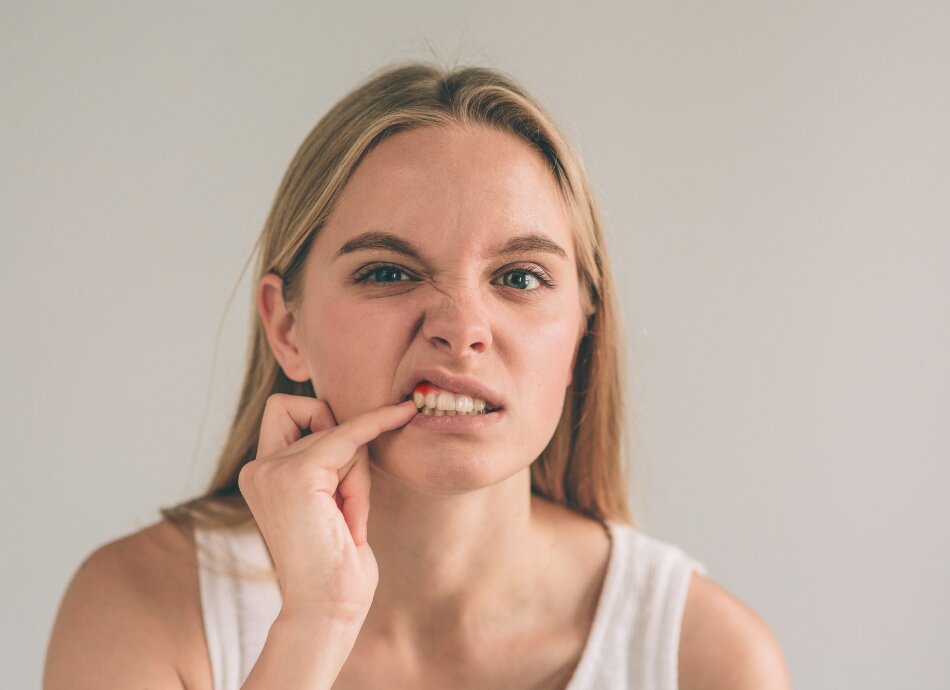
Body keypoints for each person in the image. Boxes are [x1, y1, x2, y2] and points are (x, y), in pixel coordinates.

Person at [44, 62, 791, 690]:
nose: (461, 328)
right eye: (389, 271)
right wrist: (314, 625)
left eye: (520, 277)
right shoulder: (138, 610)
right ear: (286, 328)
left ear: (582, 335)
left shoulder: (709, 660)